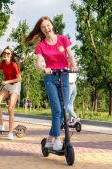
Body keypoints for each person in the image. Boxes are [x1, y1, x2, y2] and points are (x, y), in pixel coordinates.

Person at [24, 16, 78, 150]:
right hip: (51, 78)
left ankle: (50, 138)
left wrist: (74, 65)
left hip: (64, 76)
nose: (46, 28)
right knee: (57, 109)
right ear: (41, 30)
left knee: (64, 108)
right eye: (43, 27)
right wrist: (44, 68)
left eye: (48, 25)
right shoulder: (41, 45)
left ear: (52, 26)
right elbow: (38, 62)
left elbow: (70, 55)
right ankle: (57, 139)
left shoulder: (63, 39)